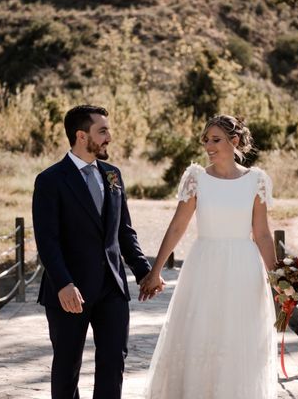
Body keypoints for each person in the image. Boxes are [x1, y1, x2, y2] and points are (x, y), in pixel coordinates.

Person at [139, 114, 278, 398]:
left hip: (243, 268)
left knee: (240, 337)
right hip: (205, 265)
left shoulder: (257, 181)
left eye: (216, 140)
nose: (209, 147)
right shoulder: (196, 178)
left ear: (234, 141)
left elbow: (262, 233)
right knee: (201, 334)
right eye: (206, 141)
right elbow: (178, 226)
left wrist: (278, 277)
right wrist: (156, 271)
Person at [32, 105, 156, 399]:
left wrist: (143, 272)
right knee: (67, 366)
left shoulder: (113, 175)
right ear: (81, 136)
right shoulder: (50, 180)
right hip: (69, 291)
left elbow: (124, 231)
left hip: (112, 287)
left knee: (114, 362)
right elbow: (47, 240)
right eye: (102, 131)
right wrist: (63, 283)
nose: (109, 137)